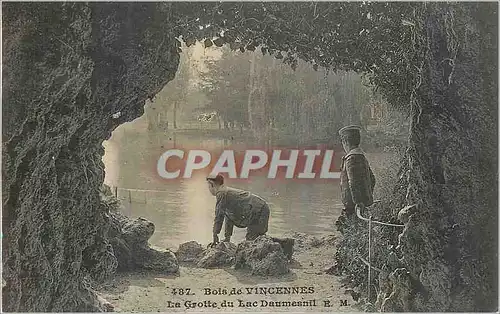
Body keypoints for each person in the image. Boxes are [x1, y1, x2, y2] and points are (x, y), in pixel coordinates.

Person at [206, 174, 271, 246]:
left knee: (252, 241)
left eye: (208, 186)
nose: (208, 189)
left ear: (212, 184)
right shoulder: (225, 192)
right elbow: (229, 216)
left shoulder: (221, 193)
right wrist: (227, 238)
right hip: (261, 207)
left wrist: (215, 235)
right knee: (258, 240)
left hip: (258, 209)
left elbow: (219, 216)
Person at [338, 125, 376, 218]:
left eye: (343, 142)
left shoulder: (352, 158)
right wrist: (367, 197)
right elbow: (372, 179)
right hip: (361, 205)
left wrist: (358, 202)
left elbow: (353, 183)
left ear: (346, 142)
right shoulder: (361, 156)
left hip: (354, 208)